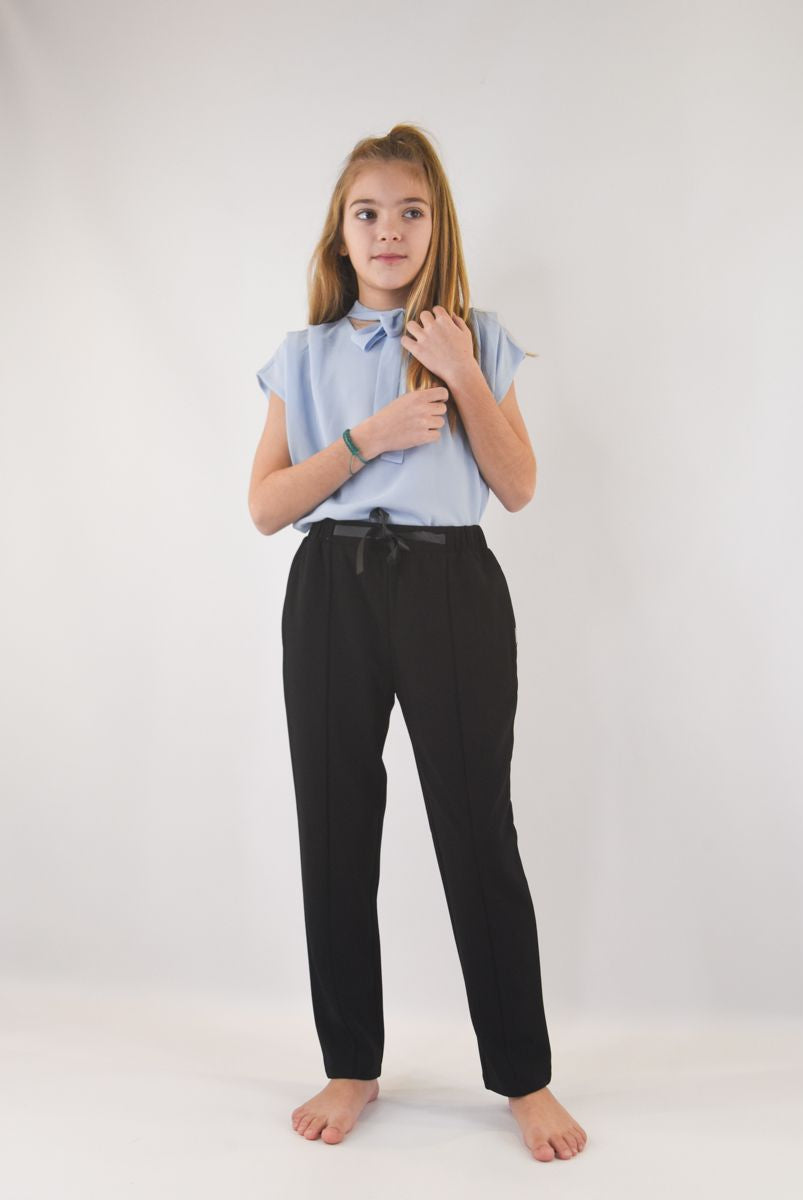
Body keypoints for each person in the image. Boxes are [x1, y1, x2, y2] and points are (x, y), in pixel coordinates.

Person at [248, 124, 587, 1163]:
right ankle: (351, 1064)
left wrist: (459, 373)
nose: (388, 229)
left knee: (477, 829)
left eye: (410, 211)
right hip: (332, 588)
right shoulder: (303, 354)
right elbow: (266, 506)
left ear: (437, 227)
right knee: (335, 825)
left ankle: (523, 1076)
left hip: (451, 586)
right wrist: (368, 440)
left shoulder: (475, 336)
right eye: (368, 212)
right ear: (340, 234)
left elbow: (518, 486)